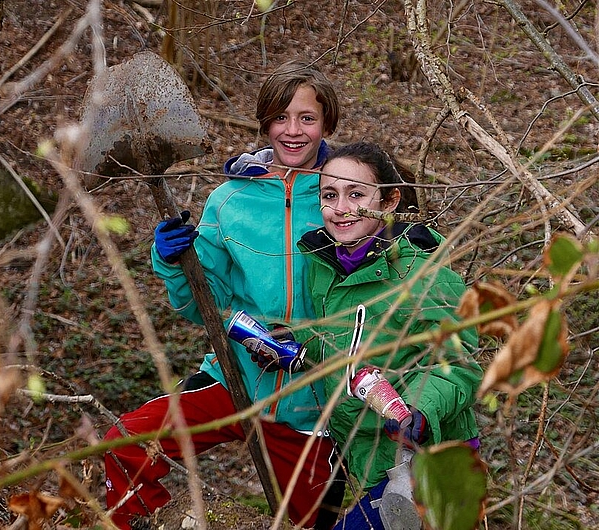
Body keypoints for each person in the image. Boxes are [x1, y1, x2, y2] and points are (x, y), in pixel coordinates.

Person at [102, 60, 344, 529]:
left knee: (316, 524)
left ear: (327, 123)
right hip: (234, 378)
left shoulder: (346, 194)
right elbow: (201, 304)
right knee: (127, 443)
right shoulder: (229, 200)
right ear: (264, 123)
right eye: (280, 117)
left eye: (307, 118)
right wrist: (174, 261)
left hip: (311, 405)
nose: (292, 131)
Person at [296, 142, 483, 529]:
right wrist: (299, 348)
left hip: (429, 458)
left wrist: (417, 406)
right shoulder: (322, 265)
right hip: (368, 458)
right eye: (330, 195)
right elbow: (344, 343)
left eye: (357, 194)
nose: (341, 208)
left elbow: (457, 360)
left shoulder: (421, 272)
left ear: (388, 201)